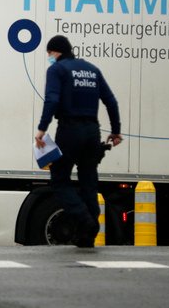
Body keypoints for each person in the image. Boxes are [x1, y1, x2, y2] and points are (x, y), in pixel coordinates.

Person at [34, 35, 123, 248]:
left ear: (56, 51)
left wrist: (42, 128)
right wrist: (116, 131)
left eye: (49, 54)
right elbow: (110, 101)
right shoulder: (92, 69)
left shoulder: (57, 70)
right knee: (88, 181)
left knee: (59, 178)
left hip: (70, 130)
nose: (49, 57)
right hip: (93, 131)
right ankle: (88, 234)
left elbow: (52, 99)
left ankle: (84, 218)